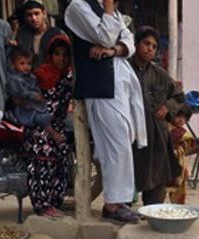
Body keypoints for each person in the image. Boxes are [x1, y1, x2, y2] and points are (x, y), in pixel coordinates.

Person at [65, 0, 146, 224]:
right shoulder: (78, 7)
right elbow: (105, 36)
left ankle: (121, 201)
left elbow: (127, 41)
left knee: (123, 141)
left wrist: (113, 51)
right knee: (114, 145)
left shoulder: (111, 11)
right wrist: (109, 15)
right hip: (100, 87)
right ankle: (112, 204)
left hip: (118, 85)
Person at [129, 26, 186, 206]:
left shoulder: (160, 74)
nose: (150, 49)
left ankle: (152, 212)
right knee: (129, 174)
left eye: (154, 46)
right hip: (132, 134)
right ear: (136, 44)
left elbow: (179, 97)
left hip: (156, 137)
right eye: (146, 43)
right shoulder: (125, 69)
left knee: (156, 178)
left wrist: (168, 107)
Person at [22, 34, 73, 218]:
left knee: (62, 164)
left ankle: (54, 203)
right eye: (57, 54)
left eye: (65, 55)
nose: (61, 59)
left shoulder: (67, 77)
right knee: (42, 166)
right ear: (50, 55)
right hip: (39, 129)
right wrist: (50, 131)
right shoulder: (40, 75)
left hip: (57, 128)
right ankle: (43, 206)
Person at [6, 47, 54, 129]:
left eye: (29, 64)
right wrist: (33, 95)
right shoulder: (14, 79)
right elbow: (21, 92)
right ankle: (52, 133)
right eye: (22, 63)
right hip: (23, 109)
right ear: (14, 64)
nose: (26, 66)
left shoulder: (30, 76)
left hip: (33, 104)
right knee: (42, 117)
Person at [16, 0, 62, 66]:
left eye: (36, 13)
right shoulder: (22, 36)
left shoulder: (56, 34)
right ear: (25, 17)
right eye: (29, 15)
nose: (33, 18)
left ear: (44, 14)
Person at [166, 107, 194, 204]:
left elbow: (190, 145)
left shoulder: (182, 132)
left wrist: (180, 149)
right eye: (179, 116)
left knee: (180, 184)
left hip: (178, 161)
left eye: (185, 118)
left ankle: (178, 206)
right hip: (165, 161)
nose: (181, 120)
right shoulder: (165, 127)